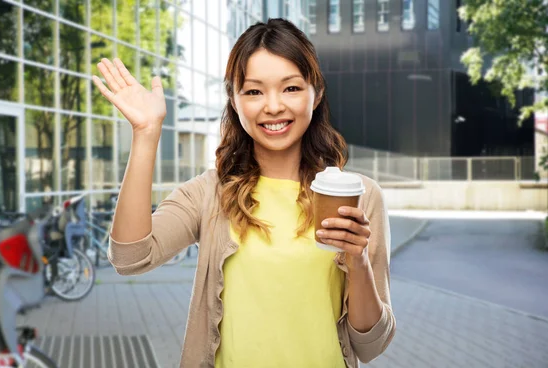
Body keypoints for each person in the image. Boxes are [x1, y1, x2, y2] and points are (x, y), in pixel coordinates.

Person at [93, 18, 395, 368]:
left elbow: (371, 343)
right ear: (234, 101)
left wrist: (357, 262)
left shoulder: (358, 196)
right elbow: (131, 258)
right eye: (253, 91)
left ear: (317, 93)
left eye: (291, 88)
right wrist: (146, 133)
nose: (273, 106)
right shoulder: (209, 193)